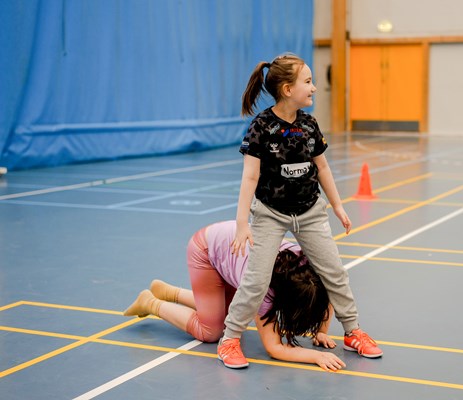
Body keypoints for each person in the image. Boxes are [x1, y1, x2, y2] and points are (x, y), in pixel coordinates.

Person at [220, 53, 382, 368]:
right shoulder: (261, 127)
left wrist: (337, 205)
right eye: (307, 82)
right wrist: (243, 224)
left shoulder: (309, 124)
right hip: (270, 213)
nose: (314, 87)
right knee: (256, 280)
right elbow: (250, 177)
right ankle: (229, 339)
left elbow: (322, 167)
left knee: (334, 272)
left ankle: (353, 332)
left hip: (310, 212)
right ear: (286, 89)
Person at [123, 220, 346, 371]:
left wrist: (320, 332)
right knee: (211, 331)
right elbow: (274, 347)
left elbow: (325, 300)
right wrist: (315, 356)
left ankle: (170, 292)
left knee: (232, 312)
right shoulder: (261, 288)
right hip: (207, 251)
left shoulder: (310, 271)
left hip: (233, 248)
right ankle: (151, 302)